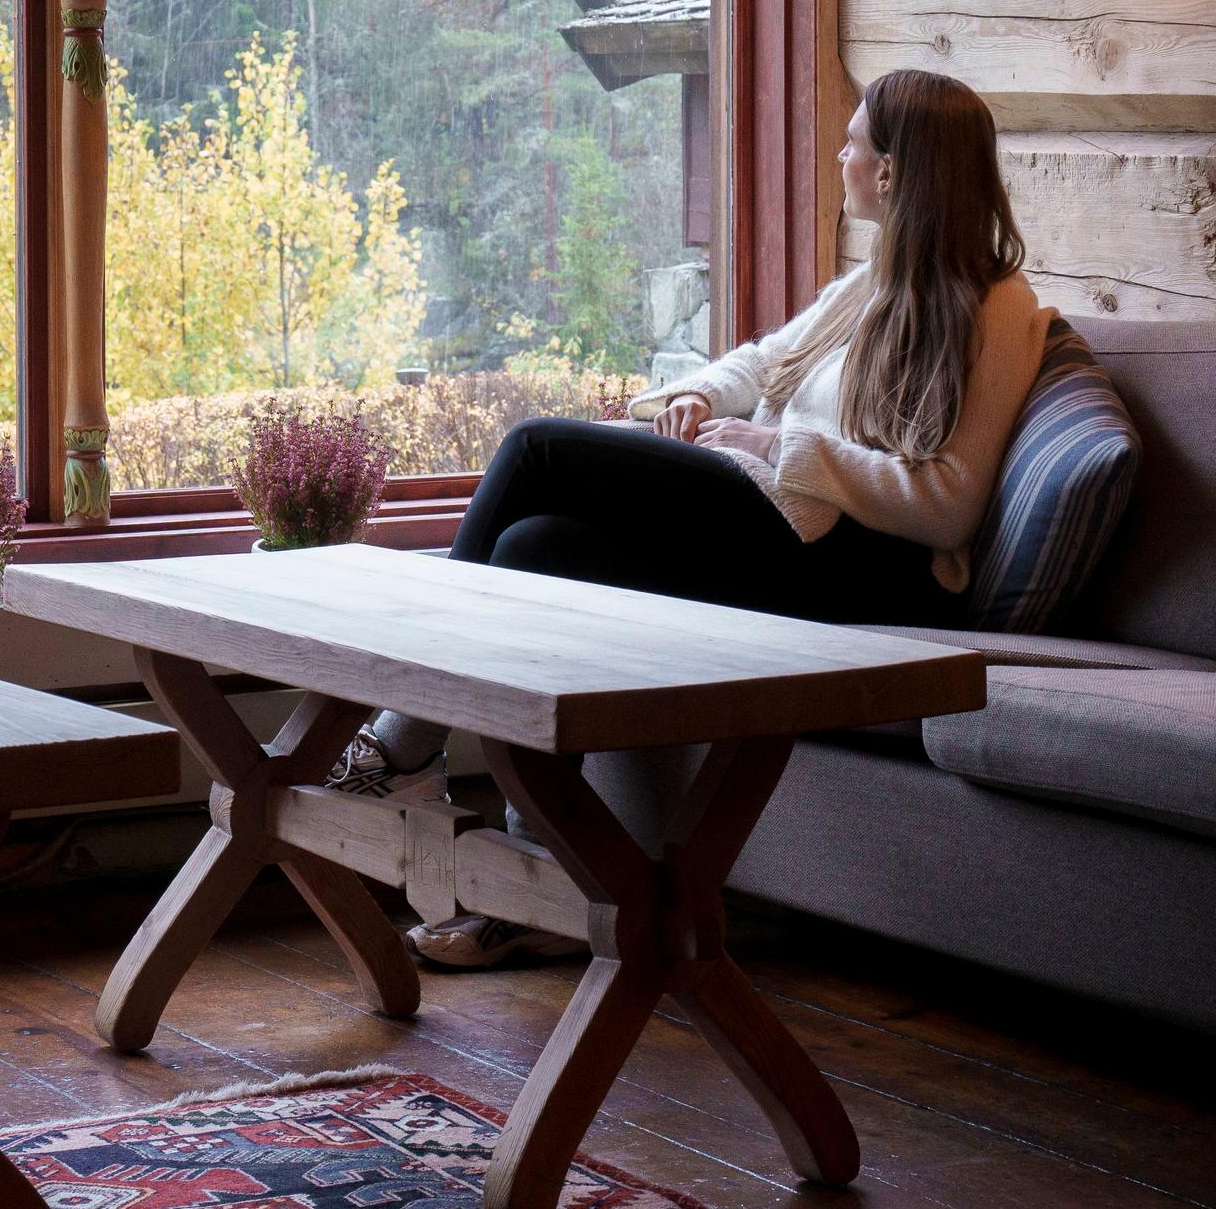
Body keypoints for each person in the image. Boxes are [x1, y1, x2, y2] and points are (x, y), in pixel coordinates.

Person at [350, 68, 1061, 968]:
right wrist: (694, 393)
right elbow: (764, 365)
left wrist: (772, 451)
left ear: (891, 173)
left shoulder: (998, 306)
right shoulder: (878, 278)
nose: (840, 154)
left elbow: (950, 502)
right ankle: (539, 876)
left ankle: (398, 740)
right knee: (539, 548)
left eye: (852, 142)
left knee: (536, 451)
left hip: (860, 568)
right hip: (786, 525)